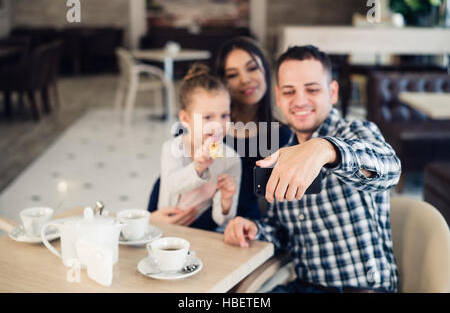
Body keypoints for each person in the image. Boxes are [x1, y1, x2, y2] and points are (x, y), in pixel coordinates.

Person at [223, 45, 402, 293]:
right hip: (303, 286)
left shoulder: (356, 132)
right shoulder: (284, 152)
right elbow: (282, 231)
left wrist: (324, 149)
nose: (300, 100)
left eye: (312, 89)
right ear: (278, 97)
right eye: (289, 91)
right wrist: (255, 229)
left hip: (361, 288)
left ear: (333, 92)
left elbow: (389, 169)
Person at [154, 63, 241, 231]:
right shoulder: (172, 148)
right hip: (166, 228)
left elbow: (221, 219)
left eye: (224, 115)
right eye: (208, 117)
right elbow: (172, 185)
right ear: (185, 118)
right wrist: (198, 167)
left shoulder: (231, 159)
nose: (218, 124)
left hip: (203, 231)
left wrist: (226, 200)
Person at [214, 37, 292, 220]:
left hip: (254, 234)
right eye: (232, 75)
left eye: (252, 68)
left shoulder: (282, 136)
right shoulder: (214, 133)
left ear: (265, 69)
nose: (245, 80)